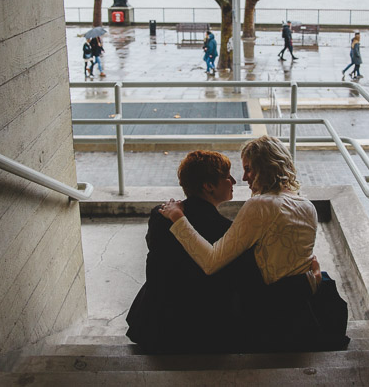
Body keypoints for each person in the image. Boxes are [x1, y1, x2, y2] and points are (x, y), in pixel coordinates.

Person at [159, 136, 349, 352]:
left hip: (269, 314)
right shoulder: (307, 205)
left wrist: (178, 219)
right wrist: (313, 280)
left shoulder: (259, 205)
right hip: (302, 308)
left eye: (248, 169)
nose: (243, 177)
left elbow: (211, 262)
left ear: (264, 166)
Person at [126, 151, 260, 353]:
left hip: (157, 325)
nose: (234, 180)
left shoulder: (159, 214)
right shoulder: (227, 231)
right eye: (227, 177)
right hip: (205, 330)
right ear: (208, 186)